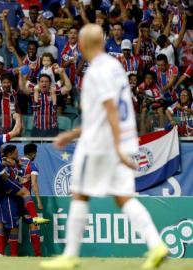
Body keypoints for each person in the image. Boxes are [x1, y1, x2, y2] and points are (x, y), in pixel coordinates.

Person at [40, 24, 168, 269]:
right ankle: (156, 245)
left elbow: (109, 108)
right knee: (124, 198)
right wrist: (74, 133)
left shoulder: (96, 70)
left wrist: (116, 146)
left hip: (101, 143)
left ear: (83, 43)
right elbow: (107, 112)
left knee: (79, 193)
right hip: (120, 137)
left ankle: (70, 255)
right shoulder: (116, 67)